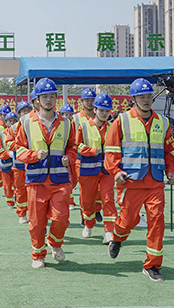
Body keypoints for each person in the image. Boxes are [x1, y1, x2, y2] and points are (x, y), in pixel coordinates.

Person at [105, 78, 174, 282]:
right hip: (130, 181)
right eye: (142, 97)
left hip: (155, 182)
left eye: (149, 96)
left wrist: (172, 171)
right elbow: (111, 151)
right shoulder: (121, 121)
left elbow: (170, 150)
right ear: (133, 99)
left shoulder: (163, 122)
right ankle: (117, 238)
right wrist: (116, 171)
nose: (146, 100)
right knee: (128, 221)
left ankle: (152, 265)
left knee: (157, 222)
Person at [13, 78, 78, 269]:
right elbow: (18, 149)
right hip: (36, 180)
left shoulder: (67, 123)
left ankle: (55, 242)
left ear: (56, 98)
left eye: (52, 96)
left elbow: (73, 147)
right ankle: (38, 255)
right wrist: (34, 155)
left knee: (61, 219)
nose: (49, 100)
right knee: (36, 222)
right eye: (44, 96)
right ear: (37, 99)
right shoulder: (25, 122)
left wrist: (69, 158)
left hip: (60, 180)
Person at [75, 93, 118, 243]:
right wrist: (91, 151)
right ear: (95, 110)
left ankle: (109, 231)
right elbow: (76, 146)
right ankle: (88, 223)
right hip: (88, 170)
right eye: (101, 110)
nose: (104, 113)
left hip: (107, 171)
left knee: (108, 199)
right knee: (87, 201)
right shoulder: (84, 126)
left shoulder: (112, 127)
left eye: (107, 111)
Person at [11, 100, 34, 223]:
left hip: (33, 164)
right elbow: (8, 143)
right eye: (23, 111)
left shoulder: (35, 124)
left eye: (28, 110)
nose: (26, 112)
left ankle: (34, 215)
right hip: (19, 165)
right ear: (19, 114)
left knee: (34, 191)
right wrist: (20, 146)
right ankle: (22, 213)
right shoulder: (14, 127)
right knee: (20, 191)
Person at [0, 112, 19, 209]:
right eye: (9, 121)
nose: (12, 123)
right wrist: (9, 154)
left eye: (14, 121)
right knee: (7, 185)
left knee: (18, 183)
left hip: (18, 164)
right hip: (5, 164)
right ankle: (9, 202)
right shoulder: (1, 135)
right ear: (6, 122)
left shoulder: (20, 133)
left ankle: (17, 198)